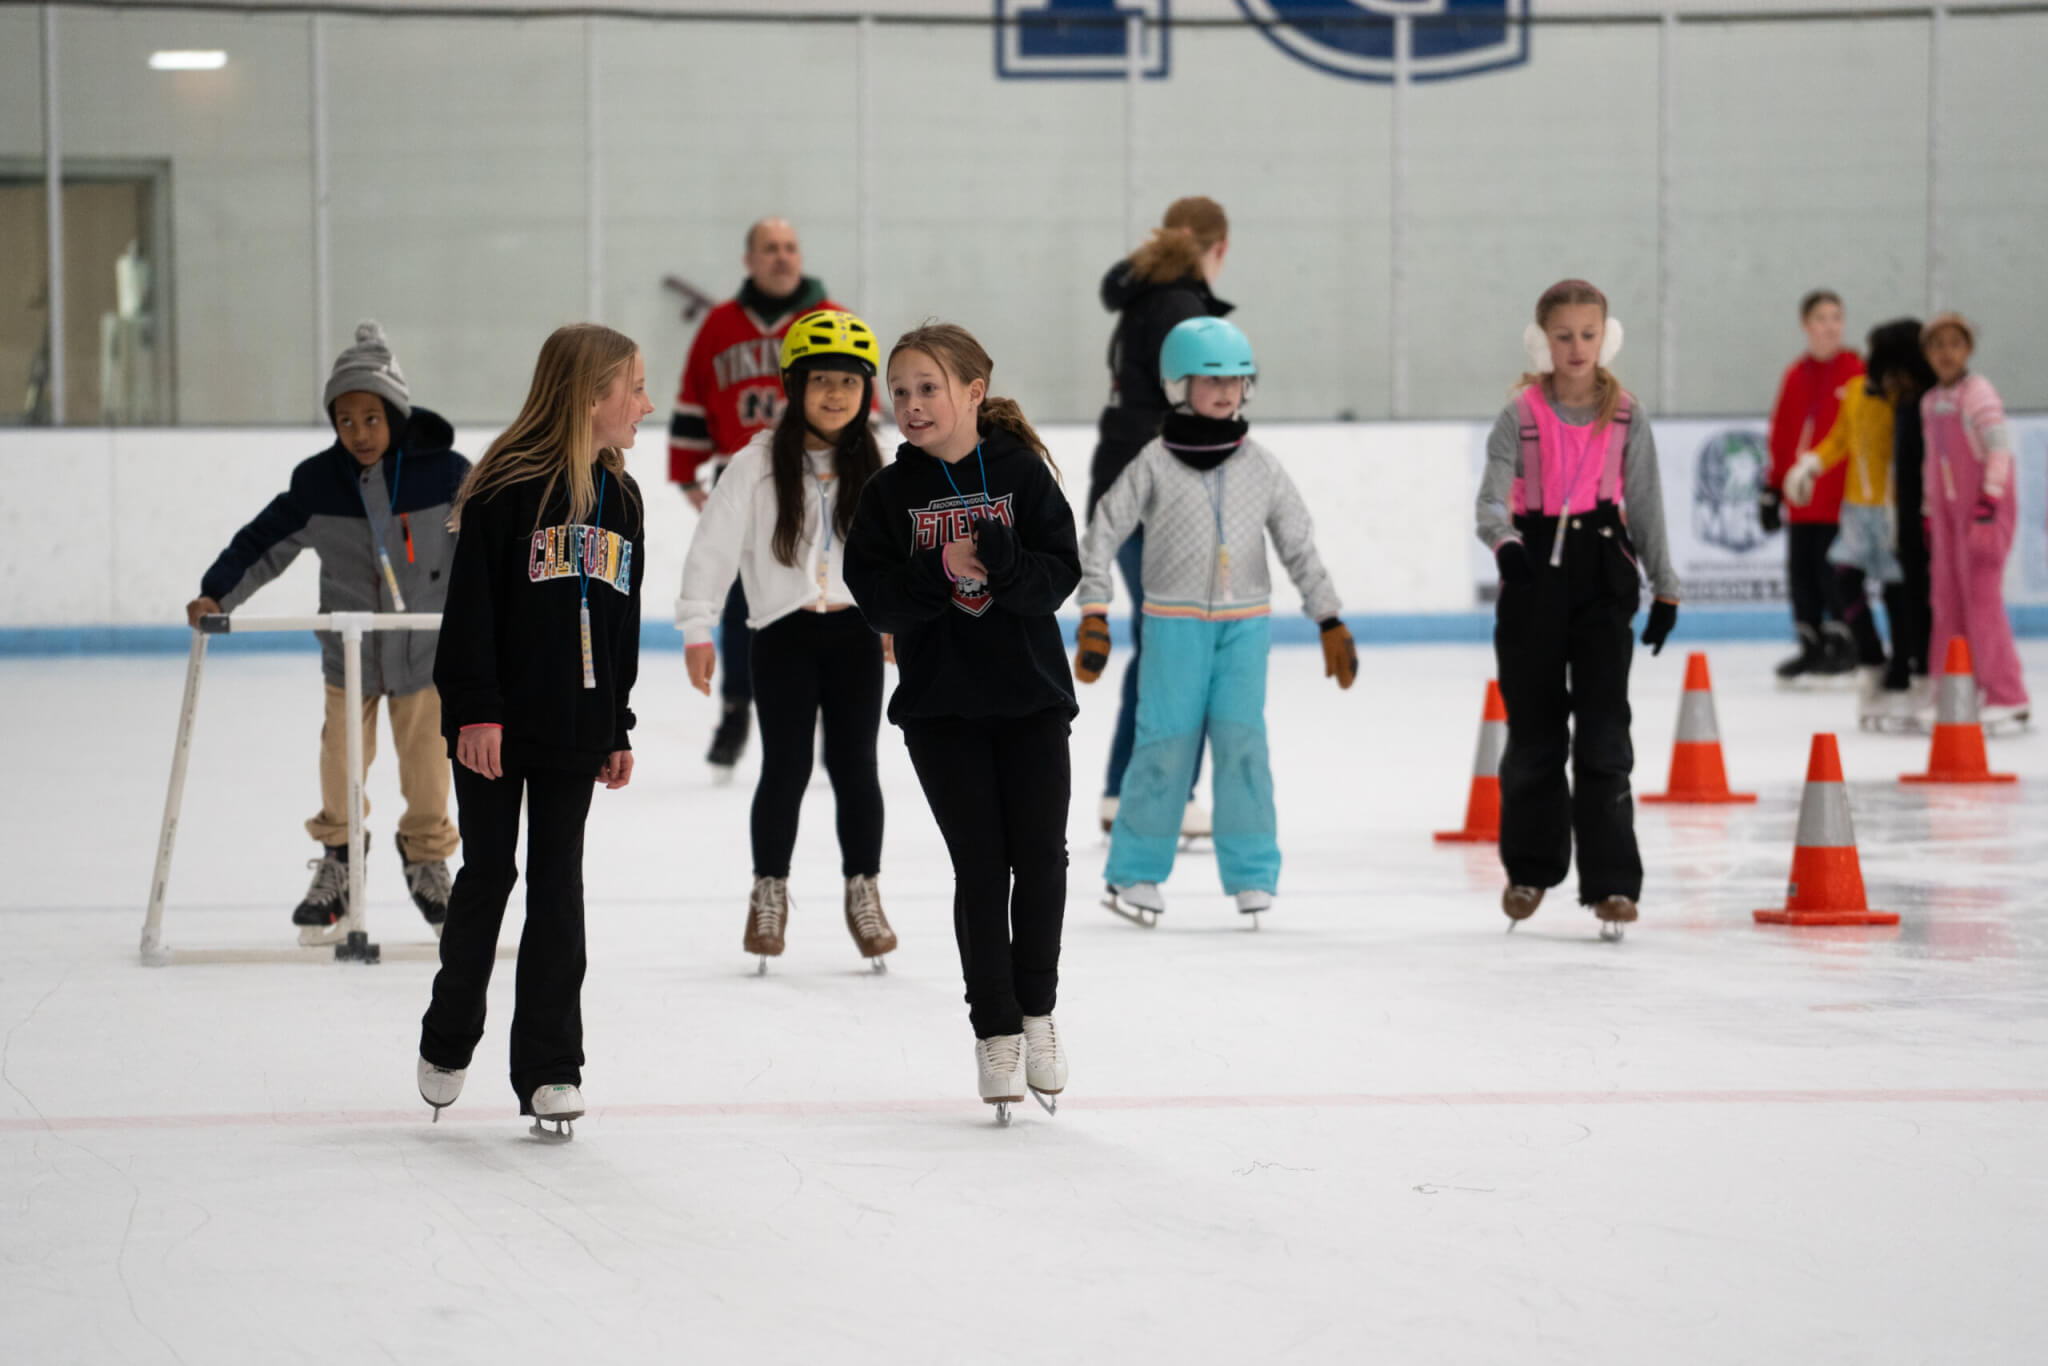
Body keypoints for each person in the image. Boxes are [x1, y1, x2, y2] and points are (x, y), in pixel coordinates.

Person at [843, 323, 1079, 1123]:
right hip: (942, 709)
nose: (911, 404)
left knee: (1041, 857)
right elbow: (875, 599)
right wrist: (937, 568)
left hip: (1033, 699)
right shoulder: (886, 496)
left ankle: (1038, 1014)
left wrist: (1007, 562)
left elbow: (1056, 578)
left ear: (973, 393)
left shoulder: (1023, 474)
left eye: (928, 388)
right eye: (900, 391)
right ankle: (996, 1032)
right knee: (981, 868)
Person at [417, 324, 649, 1137]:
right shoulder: (504, 489)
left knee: (560, 889)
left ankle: (551, 1068)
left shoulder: (623, 499)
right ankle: (448, 1038)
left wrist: (617, 722)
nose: (645, 405)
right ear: (591, 397)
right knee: (488, 878)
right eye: (634, 389)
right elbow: (470, 613)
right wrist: (476, 710)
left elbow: (620, 624)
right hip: (496, 727)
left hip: (576, 728)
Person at [186, 322, 466, 942]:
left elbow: (493, 540)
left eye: (372, 418)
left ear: (396, 412)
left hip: (426, 656)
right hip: (352, 655)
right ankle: (341, 857)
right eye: (346, 420)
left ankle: (426, 857)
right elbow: (263, 542)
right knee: (341, 758)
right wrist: (217, 591)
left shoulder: (444, 475)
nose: (359, 433)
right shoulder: (320, 483)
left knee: (428, 763)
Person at [1075, 316, 1355, 925]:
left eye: (1236, 379)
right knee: (1163, 744)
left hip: (1244, 626)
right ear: (1181, 384)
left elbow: (1298, 544)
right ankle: (1135, 873)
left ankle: (1253, 873)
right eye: (1210, 379)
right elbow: (1101, 534)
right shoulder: (1154, 463)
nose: (1226, 391)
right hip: (1173, 624)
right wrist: (1095, 609)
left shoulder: (1261, 466)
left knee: (1242, 744)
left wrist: (1327, 615)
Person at [677, 309, 896, 972]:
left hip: (856, 635)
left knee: (856, 766)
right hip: (782, 635)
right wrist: (696, 624)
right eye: (822, 379)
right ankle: (768, 890)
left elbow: (894, 553)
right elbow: (711, 548)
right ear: (792, 385)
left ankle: (864, 889)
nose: (836, 394)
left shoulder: (879, 460)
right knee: (786, 767)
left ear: (867, 392)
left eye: (850, 382)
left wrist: (897, 621)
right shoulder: (753, 464)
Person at [1476, 280, 1680, 937]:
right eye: (1562, 335)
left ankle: (1613, 884)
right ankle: (1531, 869)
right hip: (1533, 575)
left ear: (1606, 336)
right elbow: (1488, 502)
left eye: (1588, 334)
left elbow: (1645, 504)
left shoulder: (1625, 415)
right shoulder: (1521, 414)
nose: (1576, 347)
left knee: (1602, 734)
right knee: (1535, 734)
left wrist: (1666, 585)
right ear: (1542, 340)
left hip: (1602, 573)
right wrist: (1507, 547)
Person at [668, 218, 857, 777]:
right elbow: (694, 398)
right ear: (748, 260)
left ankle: (831, 718)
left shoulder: (834, 318)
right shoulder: (720, 325)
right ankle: (734, 709)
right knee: (741, 600)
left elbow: (860, 401)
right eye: (770, 249)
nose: (782, 257)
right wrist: (686, 475)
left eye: (791, 248)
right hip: (747, 473)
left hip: (825, 475)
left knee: (828, 590)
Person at [1087, 196, 1234, 838]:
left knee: (1166, 644)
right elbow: (1201, 413)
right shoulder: (1185, 312)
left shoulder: (1145, 299)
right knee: (1184, 645)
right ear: (1218, 249)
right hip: (1162, 493)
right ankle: (1156, 793)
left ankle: (1129, 791)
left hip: (1120, 488)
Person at [1781, 319, 1926, 727]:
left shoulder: (1903, 402)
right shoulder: (1858, 393)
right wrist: (1810, 463)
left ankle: (1901, 671)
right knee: (1843, 577)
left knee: (1899, 594)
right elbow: (1840, 438)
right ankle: (1871, 655)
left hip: (1892, 510)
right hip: (1858, 510)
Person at [1919, 312, 2028, 730]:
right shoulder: (1931, 402)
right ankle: (1952, 691)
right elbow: (1933, 461)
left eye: (1955, 344)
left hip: (1984, 509)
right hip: (1947, 515)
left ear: (1968, 350)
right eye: (1937, 345)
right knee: (1946, 600)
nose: (1946, 353)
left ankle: (2007, 694)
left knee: (1981, 601)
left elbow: (2000, 451)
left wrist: (1989, 502)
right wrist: (1930, 512)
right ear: (1927, 353)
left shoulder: (1979, 395)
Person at [1762, 290, 1865, 683]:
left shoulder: (1856, 370)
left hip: (1843, 499)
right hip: (1802, 499)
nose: (1830, 326)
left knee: (1833, 573)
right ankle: (1810, 644)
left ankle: (1845, 644)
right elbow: (1783, 435)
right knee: (1801, 572)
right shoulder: (1795, 375)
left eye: (1836, 318)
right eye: (1821, 318)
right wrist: (1773, 489)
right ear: (1806, 325)